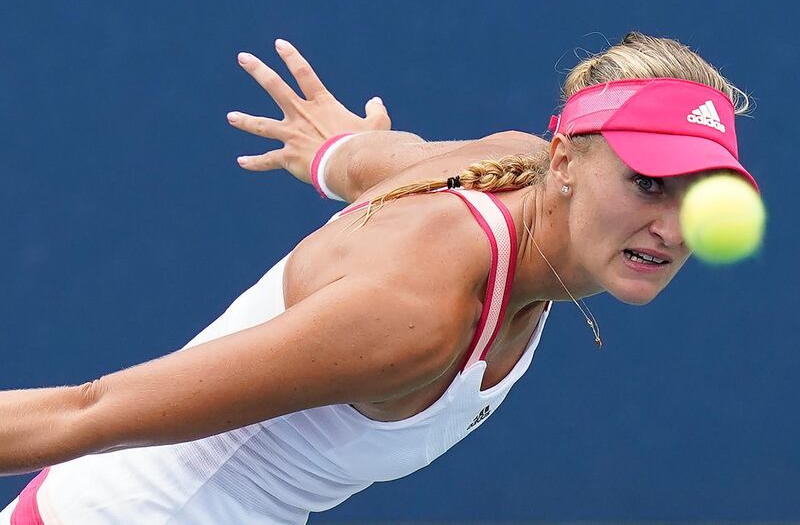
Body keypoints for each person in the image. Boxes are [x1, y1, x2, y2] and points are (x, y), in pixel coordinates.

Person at [0, 31, 758, 524]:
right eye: (649, 184)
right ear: (566, 163)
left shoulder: (515, 165)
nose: (672, 226)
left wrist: (330, 153)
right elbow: (86, 412)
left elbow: (372, 157)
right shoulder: (415, 315)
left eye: (702, 195)